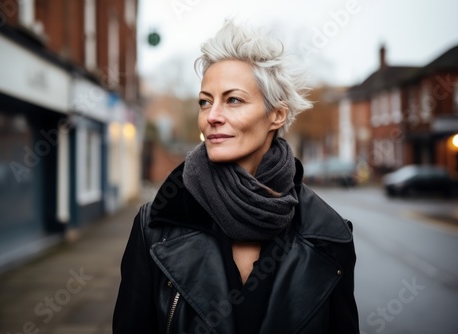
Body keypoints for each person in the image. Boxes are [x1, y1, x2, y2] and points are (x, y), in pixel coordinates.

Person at [113, 19, 360, 334]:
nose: (212, 116)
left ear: (277, 115)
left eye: (233, 100)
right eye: (205, 101)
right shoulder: (156, 227)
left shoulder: (329, 234)